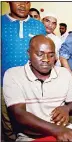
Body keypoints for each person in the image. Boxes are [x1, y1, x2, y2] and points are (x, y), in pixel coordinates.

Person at [3, 35, 72, 141]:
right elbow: (18, 114)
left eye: (51, 55)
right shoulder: (13, 75)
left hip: (64, 132)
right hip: (31, 137)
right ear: (28, 54)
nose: (46, 59)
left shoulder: (64, 74)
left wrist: (66, 108)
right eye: (40, 54)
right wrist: (56, 130)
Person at [1, 2, 46, 141]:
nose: (22, 5)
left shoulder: (38, 26)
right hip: (4, 83)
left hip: (34, 84)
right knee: (8, 125)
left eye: (26, 1)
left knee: (33, 123)